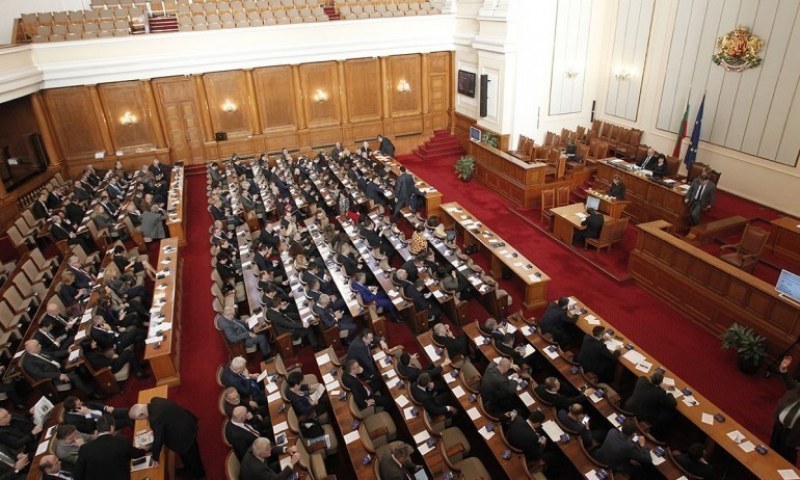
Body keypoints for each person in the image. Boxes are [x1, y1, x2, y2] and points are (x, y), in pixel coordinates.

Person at [128, 398, 205, 479]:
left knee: (193, 456)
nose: (140, 420)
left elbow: (158, 440)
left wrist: (155, 458)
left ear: (141, 415)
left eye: (139, 419)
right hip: (182, 422)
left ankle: (199, 474)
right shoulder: (154, 400)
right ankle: (188, 467)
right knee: (185, 454)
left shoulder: (155, 418)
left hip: (185, 433)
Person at [20, 340, 96, 399]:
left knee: (78, 363)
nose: (40, 345)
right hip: (52, 379)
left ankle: (88, 382)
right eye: (37, 345)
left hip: (59, 367)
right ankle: (91, 394)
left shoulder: (38, 350)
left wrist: (67, 351)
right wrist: (58, 375)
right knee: (74, 377)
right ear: (31, 350)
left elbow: (53, 354)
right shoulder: (28, 362)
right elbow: (41, 374)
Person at [73, 414, 140, 480]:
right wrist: (145, 449)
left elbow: (77, 476)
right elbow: (136, 454)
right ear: (112, 427)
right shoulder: (122, 441)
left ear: (97, 430)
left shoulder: (84, 449)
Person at [623, 371, 677, 438]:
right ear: (661, 382)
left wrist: (660, 386)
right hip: (642, 416)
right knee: (668, 413)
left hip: (629, 407)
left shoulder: (641, 380)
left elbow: (644, 377)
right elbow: (673, 403)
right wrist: (666, 389)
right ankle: (661, 434)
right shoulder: (660, 393)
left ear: (650, 377)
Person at [770, 355, 800, 463]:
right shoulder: (797, 388)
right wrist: (783, 369)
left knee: (785, 459)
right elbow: (789, 382)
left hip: (793, 434)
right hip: (779, 426)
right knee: (772, 449)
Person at [63, 396, 133, 434]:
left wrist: (105, 407)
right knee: (126, 420)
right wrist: (87, 414)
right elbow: (89, 428)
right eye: (79, 404)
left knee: (127, 411)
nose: (82, 403)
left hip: (105, 413)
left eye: (80, 402)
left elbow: (94, 404)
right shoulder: (73, 421)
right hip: (102, 424)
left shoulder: (79, 404)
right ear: (72, 410)